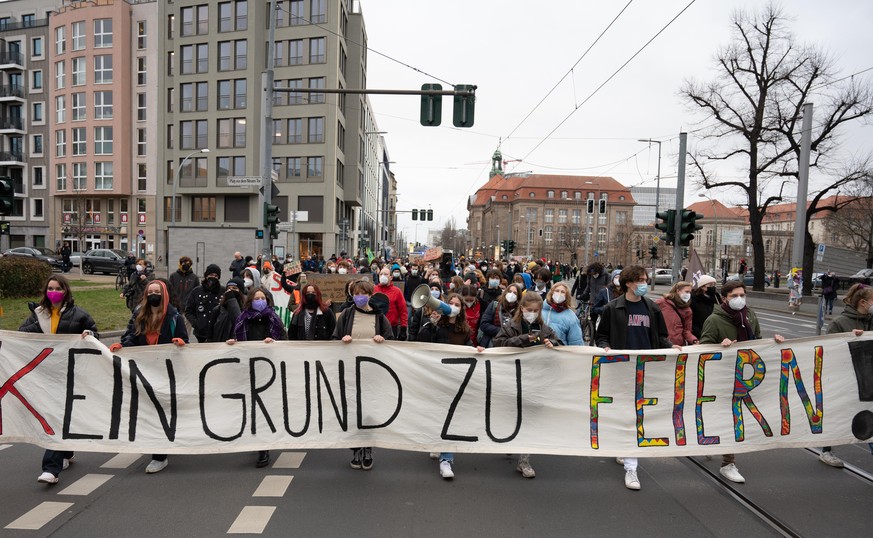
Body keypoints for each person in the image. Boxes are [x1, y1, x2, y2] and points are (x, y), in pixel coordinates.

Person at [594, 265, 675, 490]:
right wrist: (606, 347)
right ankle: (625, 453)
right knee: (623, 413)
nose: (643, 283)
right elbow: (601, 336)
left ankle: (631, 465)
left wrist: (673, 348)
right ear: (628, 283)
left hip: (646, 370)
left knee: (638, 415)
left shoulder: (652, 308)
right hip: (621, 369)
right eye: (639, 279)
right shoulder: (612, 308)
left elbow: (661, 336)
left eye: (645, 279)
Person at [698, 280, 785, 484]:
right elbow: (703, 348)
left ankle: (722, 455)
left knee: (736, 417)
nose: (739, 299)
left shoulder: (749, 315)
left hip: (745, 375)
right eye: (734, 296)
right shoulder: (714, 320)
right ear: (725, 298)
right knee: (730, 417)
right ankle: (728, 463)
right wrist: (721, 346)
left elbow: (757, 341)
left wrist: (774, 343)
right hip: (723, 376)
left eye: (742, 295)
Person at [19, 275, 98, 484]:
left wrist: (89, 334)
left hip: (70, 374)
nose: (53, 292)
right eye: (50, 288)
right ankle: (65, 451)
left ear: (66, 291)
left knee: (57, 416)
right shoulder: (37, 315)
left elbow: (94, 335)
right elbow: (22, 336)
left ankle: (51, 469)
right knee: (58, 416)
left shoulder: (79, 315)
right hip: (46, 374)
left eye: (58, 288)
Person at [111, 280, 188, 474]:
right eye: (150, 291)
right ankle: (160, 447)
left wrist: (179, 343)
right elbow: (130, 336)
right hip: (144, 372)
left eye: (157, 291)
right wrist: (123, 346)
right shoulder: (139, 314)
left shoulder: (174, 317)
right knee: (149, 412)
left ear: (164, 294)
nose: (154, 294)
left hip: (165, 373)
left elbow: (184, 340)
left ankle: (159, 456)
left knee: (160, 412)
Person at [418, 292, 484, 479]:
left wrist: (476, 349)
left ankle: (446, 460)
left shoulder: (464, 329)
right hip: (436, 377)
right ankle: (437, 442)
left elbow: (468, 347)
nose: (454, 306)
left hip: (454, 378)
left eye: (458, 304)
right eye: (451, 303)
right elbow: (421, 342)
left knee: (451, 417)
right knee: (437, 413)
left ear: (462, 309)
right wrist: (432, 324)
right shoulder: (437, 325)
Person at [493, 292, 557, 479]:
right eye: (529, 310)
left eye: (536, 311)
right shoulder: (511, 326)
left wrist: (551, 344)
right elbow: (498, 344)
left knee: (530, 419)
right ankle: (511, 440)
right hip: (512, 379)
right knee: (513, 415)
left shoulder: (544, 329)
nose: (532, 313)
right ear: (522, 309)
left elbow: (559, 345)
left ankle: (524, 459)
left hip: (535, 382)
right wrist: (522, 340)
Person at [332, 279, 394, 470]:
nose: (360, 297)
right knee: (353, 411)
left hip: (372, 373)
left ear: (369, 295)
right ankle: (356, 449)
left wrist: (382, 339)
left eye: (363, 294)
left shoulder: (378, 317)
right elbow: (334, 338)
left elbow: (391, 340)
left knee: (369, 413)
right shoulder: (346, 314)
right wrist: (342, 339)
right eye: (356, 293)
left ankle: (368, 448)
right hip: (351, 372)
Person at [227, 287, 286, 468]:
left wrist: (274, 341)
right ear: (250, 300)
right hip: (248, 368)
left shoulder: (273, 318)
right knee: (251, 407)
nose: (259, 301)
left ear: (267, 300)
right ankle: (257, 440)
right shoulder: (242, 319)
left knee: (264, 408)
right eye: (256, 298)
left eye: (262, 298)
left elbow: (284, 338)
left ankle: (264, 448)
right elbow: (236, 338)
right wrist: (232, 343)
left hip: (268, 369)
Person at [819, 283, 873, 467]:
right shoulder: (839, 323)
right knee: (838, 414)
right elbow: (829, 351)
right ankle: (826, 450)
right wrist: (850, 339)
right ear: (864, 302)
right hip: (844, 378)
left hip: (867, 378)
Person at [184, 264, 224, 343]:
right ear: (206, 276)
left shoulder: (223, 291)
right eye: (211, 275)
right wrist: (196, 324)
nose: (213, 277)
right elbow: (189, 311)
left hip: (218, 332)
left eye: (216, 276)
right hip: (201, 333)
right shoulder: (196, 291)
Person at [655, 281, 699, 346]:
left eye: (690, 292)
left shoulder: (687, 310)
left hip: (678, 345)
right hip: (662, 344)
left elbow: (687, 331)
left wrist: (693, 340)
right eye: (686, 292)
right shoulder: (662, 303)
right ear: (678, 291)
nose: (689, 294)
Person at [207, 277, 246, 342]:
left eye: (234, 288)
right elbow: (210, 331)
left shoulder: (245, 310)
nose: (231, 291)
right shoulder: (218, 309)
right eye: (229, 288)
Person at [375, 266, 409, 340]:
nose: (383, 276)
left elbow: (403, 310)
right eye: (381, 274)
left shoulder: (397, 291)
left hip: (391, 327)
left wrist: (403, 328)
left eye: (385, 274)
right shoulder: (373, 290)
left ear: (391, 277)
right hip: (375, 326)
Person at [690, 275, 720, 340]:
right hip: (700, 335)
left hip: (716, 333)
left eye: (714, 284)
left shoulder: (716, 297)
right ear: (702, 287)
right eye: (710, 285)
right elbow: (691, 320)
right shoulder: (693, 299)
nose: (713, 287)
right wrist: (700, 334)